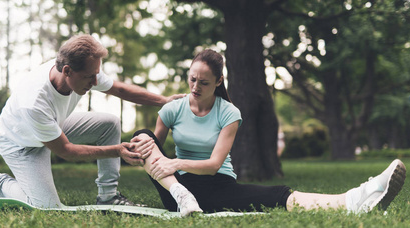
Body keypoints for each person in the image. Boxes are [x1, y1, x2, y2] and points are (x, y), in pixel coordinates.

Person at [132, 49, 406, 214]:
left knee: (277, 196)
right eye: (192, 79)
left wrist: (176, 161)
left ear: (218, 81)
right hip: (177, 189)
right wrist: (141, 156)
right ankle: (181, 196)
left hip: (216, 186)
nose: (195, 87)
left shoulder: (229, 113)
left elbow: (214, 165)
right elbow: (153, 149)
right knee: (144, 135)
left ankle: (356, 199)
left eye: (203, 82)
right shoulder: (172, 109)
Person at [0, 34, 185, 209]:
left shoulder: (83, 69)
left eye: (96, 75)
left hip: (54, 125)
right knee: (46, 206)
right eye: (89, 77)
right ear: (67, 71)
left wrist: (163, 100)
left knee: (109, 123)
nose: (95, 82)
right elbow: (66, 151)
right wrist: (118, 151)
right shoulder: (35, 101)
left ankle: (108, 196)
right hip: (20, 144)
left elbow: (118, 89)